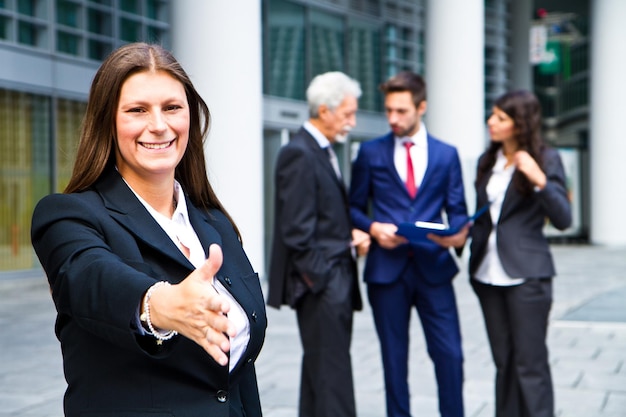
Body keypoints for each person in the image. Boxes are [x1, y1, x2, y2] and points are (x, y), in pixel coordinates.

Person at [30, 42, 267, 417]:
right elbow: (90, 276)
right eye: (137, 110)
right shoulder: (67, 216)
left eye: (172, 107)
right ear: (108, 121)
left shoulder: (213, 221)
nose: (158, 125)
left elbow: (238, 378)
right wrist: (157, 305)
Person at [349, 71, 468, 417]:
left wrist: (458, 233)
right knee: (393, 361)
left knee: (451, 356)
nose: (393, 119)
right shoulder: (370, 153)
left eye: (401, 111)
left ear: (422, 107)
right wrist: (373, 227)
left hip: (434, 266)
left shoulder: (447, 155)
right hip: (387, 272)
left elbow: (458, 210)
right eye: (389, 111)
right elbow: (353, 207)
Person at [267, 71, 369, 417]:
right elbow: (296, 231)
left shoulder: (320, 151)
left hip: (331, 278)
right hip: (323, 285)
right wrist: (324, 282)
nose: (352, 122)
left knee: (321, 375)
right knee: (332, 378)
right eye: (348, 113)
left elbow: (319, 220)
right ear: (324, 111)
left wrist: (348, 239)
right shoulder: (300, 153)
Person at [467, 90, 571, 417]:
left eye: (500, 117)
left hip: (527, 274)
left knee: (530, 362)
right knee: (504, 362)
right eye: (492, 115)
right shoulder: (489, 161)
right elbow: (485, 218)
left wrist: (539, 179)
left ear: (520, 123)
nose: (491, 122)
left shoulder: (546, 158)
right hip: (487, 274)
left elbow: (564, 219)